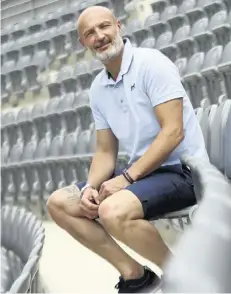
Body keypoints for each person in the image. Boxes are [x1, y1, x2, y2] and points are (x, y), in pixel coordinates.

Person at [46, 5, 208, 293]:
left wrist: (127, 179)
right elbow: (105, 152)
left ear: (118, 26)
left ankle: (181, 277)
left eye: (104, 27)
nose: (99, 36)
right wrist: (89, 189)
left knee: (112, 210)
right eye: (90, 33)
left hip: (182, 170)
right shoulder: (98, 88)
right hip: (145, 174)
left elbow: (173, 132)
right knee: (60, 203)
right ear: (83, 43)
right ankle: (136, 275)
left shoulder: (151, 63)